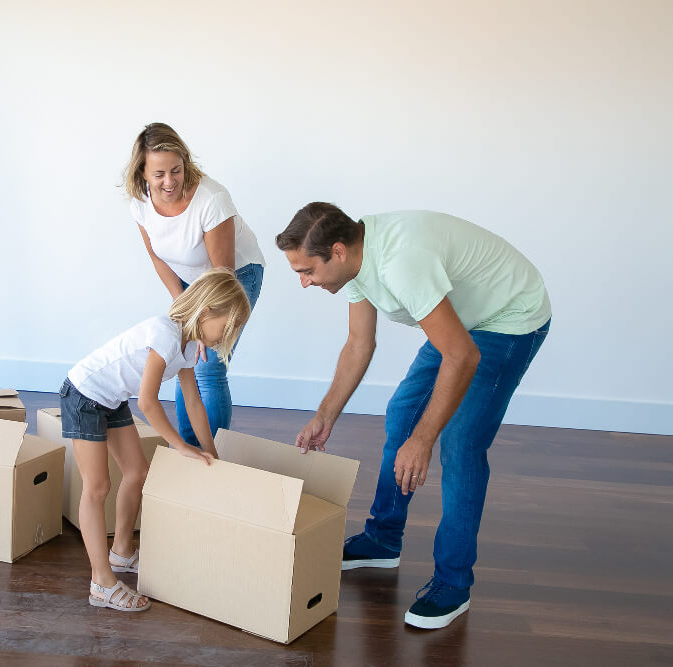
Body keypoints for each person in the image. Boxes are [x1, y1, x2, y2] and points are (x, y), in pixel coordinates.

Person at [276, 204, 551, 630]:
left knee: (460, 442)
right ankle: (383, 539)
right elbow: (358, 344)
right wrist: (325, 415)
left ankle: (454, 583)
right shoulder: (354, 263)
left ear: (337, 251)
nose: (304, 282)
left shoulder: (401, 263)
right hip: (464, 320)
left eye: (307, 270)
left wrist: (423, 442)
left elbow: (461, 355)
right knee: (404, 412)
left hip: (509, 317)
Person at [60, 268, 251, 612]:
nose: (229, 337)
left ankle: (120, 553)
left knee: (137, 472)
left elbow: (193, 401)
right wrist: (180, 445)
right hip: (84, 395)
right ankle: (101, 583)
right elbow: (147, 401)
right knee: (97, 487)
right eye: (228, 327)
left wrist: (210, 451)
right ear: (207, 311)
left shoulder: (190, 346)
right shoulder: (164, 333)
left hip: (112, 399)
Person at [124, 122, 265, 448]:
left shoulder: (211, 199)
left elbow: (222, 274)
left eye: (176, 170)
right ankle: (190, 452)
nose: (169, 181)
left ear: (185, 162)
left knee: (207, 368)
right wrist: (182, 308)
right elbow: (158, 258)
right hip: (189, 280)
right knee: (182, 358)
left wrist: (199, 316)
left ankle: (210, 456)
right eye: (159, 174)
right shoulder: (140, 202)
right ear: (143, 172)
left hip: (233, 277)